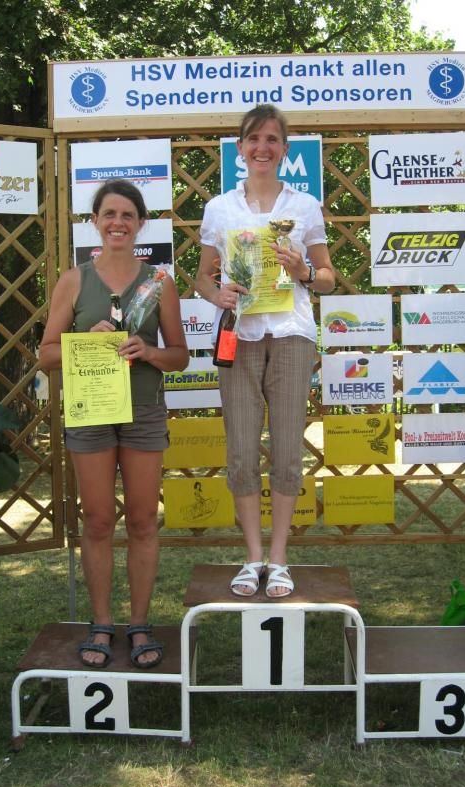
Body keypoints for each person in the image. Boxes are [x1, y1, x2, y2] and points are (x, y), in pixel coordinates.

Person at [39, 179, 189, 667]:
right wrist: (86, 339)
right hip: (92, 412)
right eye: (109, 214)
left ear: (141, 223)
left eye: (127, 215)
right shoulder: (74, 281)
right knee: (99, 520)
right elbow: (46, 355)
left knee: (143, 521)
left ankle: (140, 624)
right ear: (95, 222)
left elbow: (180, 356)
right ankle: (102, 623)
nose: (118, 223)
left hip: (143, 411)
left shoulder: (159, 283)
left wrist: (148, 351)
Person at [196, 104, 335, 598]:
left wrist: (302, 271)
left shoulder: (305, 205)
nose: (262, 148)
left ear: (284, 149)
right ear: (240, 148)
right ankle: (252, 556)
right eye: (254, 139)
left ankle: (279, 559)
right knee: (240, 449)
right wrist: (217, 294)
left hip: (292, 333)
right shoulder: (219, 208)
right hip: (239, 333)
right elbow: (202, 278)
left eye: (272, 139)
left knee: (287, 450)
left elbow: (328, 278)